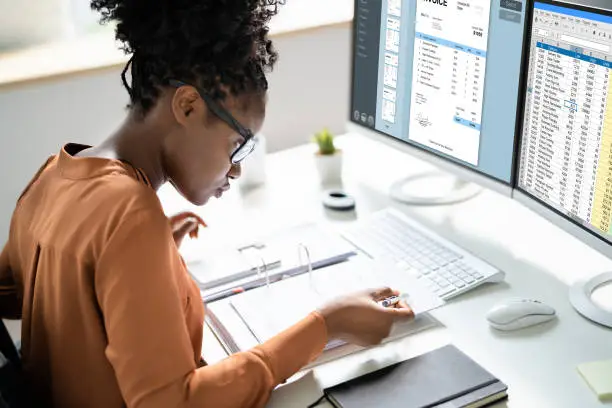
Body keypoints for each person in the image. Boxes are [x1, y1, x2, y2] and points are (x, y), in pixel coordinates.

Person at [0, 1, 414, 407]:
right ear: (187, 106)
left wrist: (144, 265)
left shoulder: (55, 173)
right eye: (238, 145)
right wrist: (327, 325)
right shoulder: (129, 214)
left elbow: (21, 297)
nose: (235, 171)